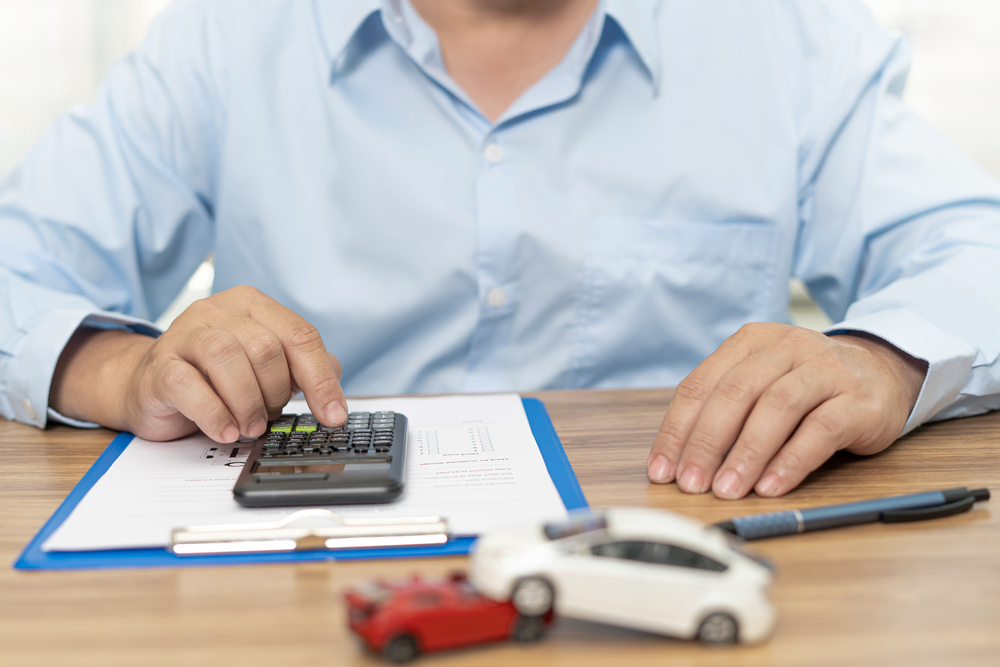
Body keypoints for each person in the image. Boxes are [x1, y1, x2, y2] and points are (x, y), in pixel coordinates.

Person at [1, 0, 998, 501]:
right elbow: (19, 259)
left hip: (664, 568)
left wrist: (878, 359)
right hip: (304, 580)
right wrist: (128, 368)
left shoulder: (780, 34)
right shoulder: (231, 35)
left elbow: (974, 253)